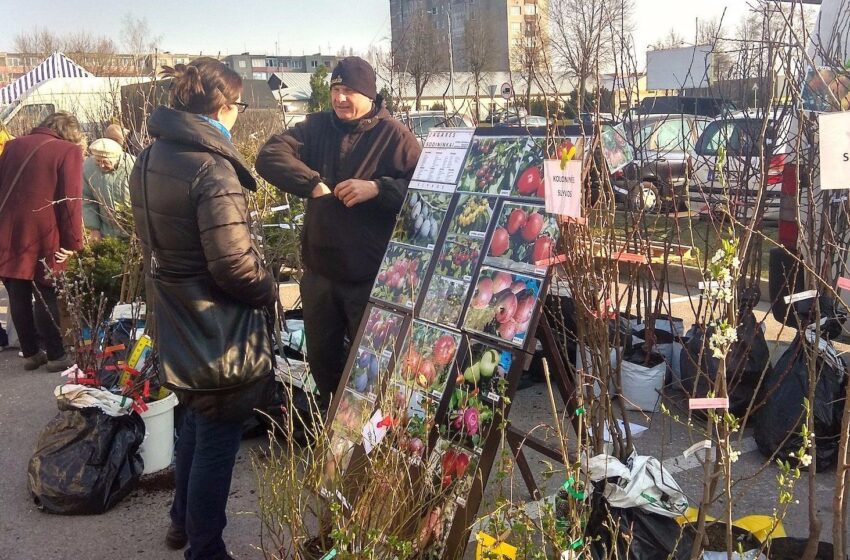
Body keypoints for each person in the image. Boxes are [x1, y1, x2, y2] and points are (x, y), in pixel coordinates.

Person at [129, 57, 277, 560]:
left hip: (175, 313)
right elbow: (234, 266)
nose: (237, 116)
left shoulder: (151, 156)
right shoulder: (212, 169)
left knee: (195, 416)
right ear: (222, 106)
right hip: (217, 325)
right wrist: (272, 290)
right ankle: (205, 548)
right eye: (236, 106)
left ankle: (180, 524)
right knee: (216, 433)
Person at [256, 56, 421, 409]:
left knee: (374, 367)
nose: (340, 98)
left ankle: (374, 448)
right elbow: (269, 155)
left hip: (370, 278)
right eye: (336, 89)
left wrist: (378, 189)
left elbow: (425, 191)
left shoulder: (395, 136)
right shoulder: (315, 128)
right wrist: (312, 182)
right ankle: (334, 439)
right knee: (323, 363)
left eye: (349, 91)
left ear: (369, 94)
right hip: (321, 276)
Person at [0, 112, 83, 371]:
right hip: (44, 231)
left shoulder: (12, 145)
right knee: (46, 290)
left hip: (7, 229)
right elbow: (70, 201)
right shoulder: (67, 151)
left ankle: (31, 353)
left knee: (17, 291)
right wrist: (73, 243)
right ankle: (57, 355)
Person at [83, 137, 135, 240]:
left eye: (105, 161)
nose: (101, 165)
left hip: (134, 231)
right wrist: (94, 228)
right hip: (106, 232)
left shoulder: (133, 165)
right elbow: (86, 200)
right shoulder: (87, 168)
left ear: (116, 158)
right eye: (97, 161)